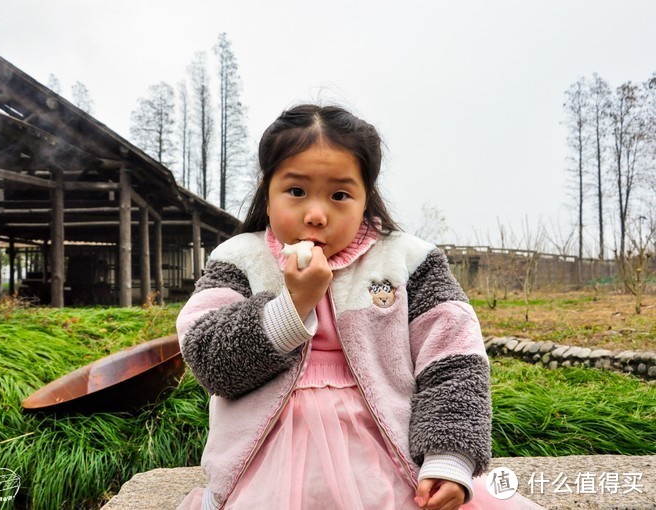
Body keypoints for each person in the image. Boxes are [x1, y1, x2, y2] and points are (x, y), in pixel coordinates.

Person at [175, 104, 543, 510]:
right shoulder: (239, 259)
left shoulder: (408, 261)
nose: (316, 215)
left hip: (390, 465)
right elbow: (210, 361)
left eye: (340, 195)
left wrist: (449, 458)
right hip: (262, 470)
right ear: (268, 190)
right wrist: (294, 303)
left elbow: (454, 359)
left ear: (367, 197)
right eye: (296, 191)